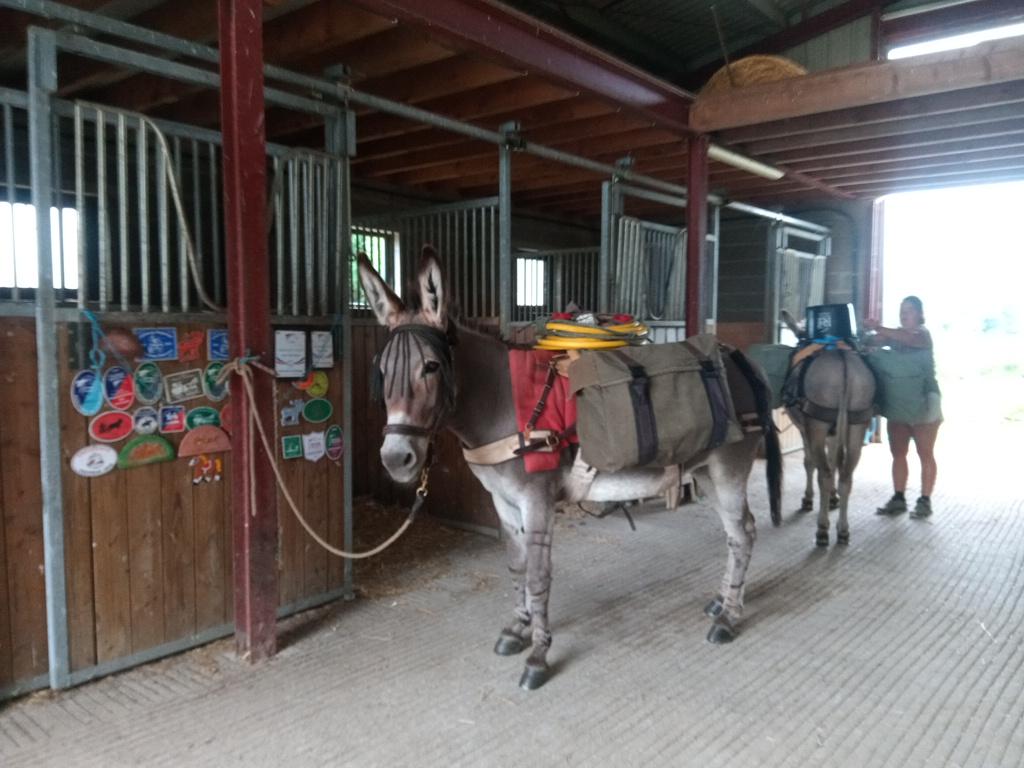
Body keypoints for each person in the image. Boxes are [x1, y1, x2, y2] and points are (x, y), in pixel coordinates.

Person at [863, 296, 942, 519]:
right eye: (901, 310)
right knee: (898, 453)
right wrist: (869, 336)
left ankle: (925, 501)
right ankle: (898, 498)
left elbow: (906, 338)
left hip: (924, 402)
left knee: (924, 453)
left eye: (908, 310)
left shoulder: (922, 334)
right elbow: (874, 341)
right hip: (898, 402)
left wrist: (879, 328)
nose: (903, 314)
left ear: (919, 314)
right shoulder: (895, 335)